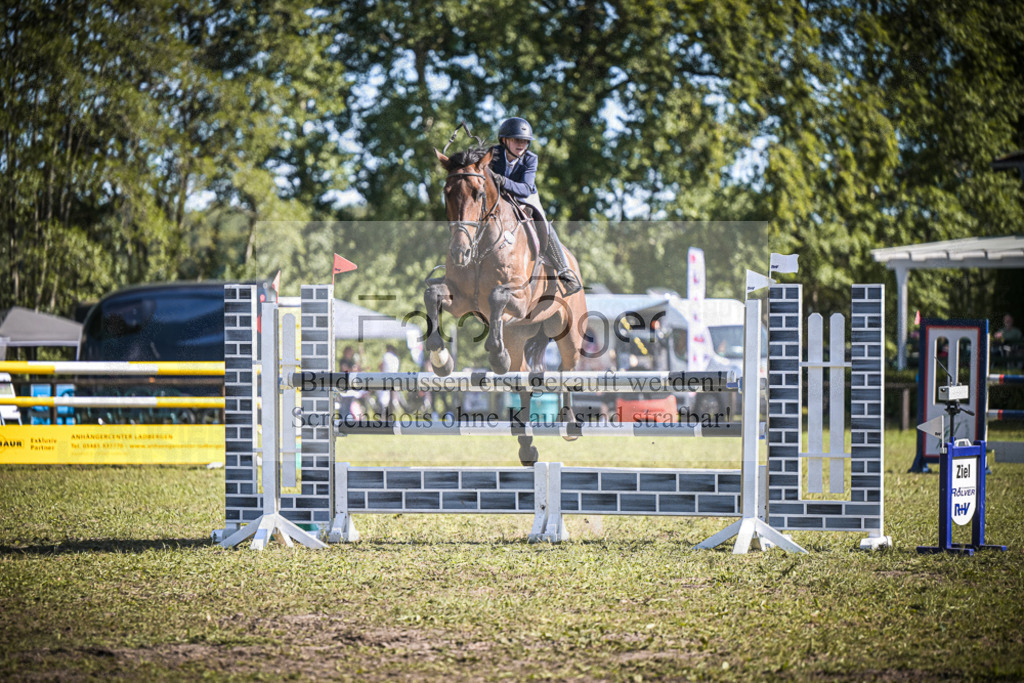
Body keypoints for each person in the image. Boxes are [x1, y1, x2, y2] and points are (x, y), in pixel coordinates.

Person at [490, 117, 582, 295]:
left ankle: (563, 270)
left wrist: (503, 181)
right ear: (504, 140)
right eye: (517, 140)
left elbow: (525, 188)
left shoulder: (530, 159)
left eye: (525, 141)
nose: (521, 144)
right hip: (498, 197)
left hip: (524, 196)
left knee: (542, 221)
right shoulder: (492, 154)